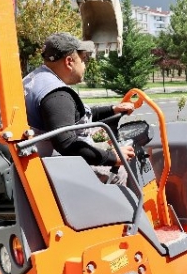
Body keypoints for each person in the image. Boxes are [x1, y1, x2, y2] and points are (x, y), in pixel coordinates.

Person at [23, 32, 136, 184]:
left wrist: (113, 109)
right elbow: (67, 144)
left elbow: (74, 115)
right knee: (120, 172)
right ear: (69, 62)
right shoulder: (57, 95)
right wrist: (112, 158)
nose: (84, 65)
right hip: (53, 170)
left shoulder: (38, 79)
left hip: (40, 163)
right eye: (83, 60)